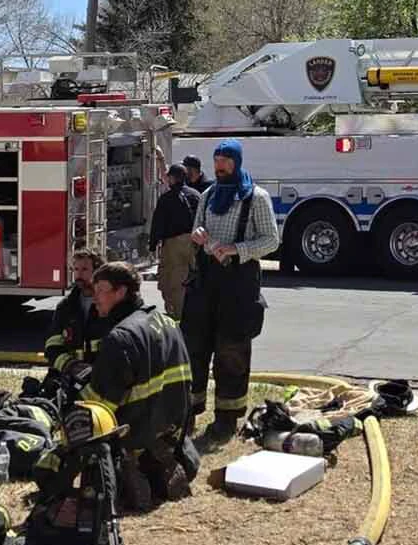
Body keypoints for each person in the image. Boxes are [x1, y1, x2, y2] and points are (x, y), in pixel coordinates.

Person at [180, 139, 280, 447]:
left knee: (231, 351)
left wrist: (237, 249)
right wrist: (199, 237)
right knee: (193, 347)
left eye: (225, 161)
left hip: (238, 284)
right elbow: (197, 227)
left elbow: (271, 241)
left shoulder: (256, 197)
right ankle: (188, 412)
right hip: (205, 281)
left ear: (236, 162)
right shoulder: (208, 195)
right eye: (216, 161)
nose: (219, 167)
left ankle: (226, 417)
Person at [79, 262, 198, 507]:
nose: (95, 297)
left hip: (135, 430)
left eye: (101, 290)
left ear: (120, 292)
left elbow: (99, 404)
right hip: (170, 427)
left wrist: (72, 409)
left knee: (83, 421)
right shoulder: (167, 322)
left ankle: (130, 466)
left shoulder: (120, 337)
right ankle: (160, 459)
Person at [42, 249, 103, 398]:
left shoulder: (107, 303)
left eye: (84, 269)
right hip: (71, 377)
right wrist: (70, 365)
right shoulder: (66, 306)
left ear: (98, 272)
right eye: (76, 269)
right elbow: (52, 346)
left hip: (101, 378)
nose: (78, 274)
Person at [148, 163, 200, 319]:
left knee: (173, 281)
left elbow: (157, 223)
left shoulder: (166, 198)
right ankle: (192, 313)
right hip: (195, 242)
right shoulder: (196, 195)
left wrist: (152, 245)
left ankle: (177, 315)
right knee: (193, 278)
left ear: (172, 178)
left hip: (173, 244)